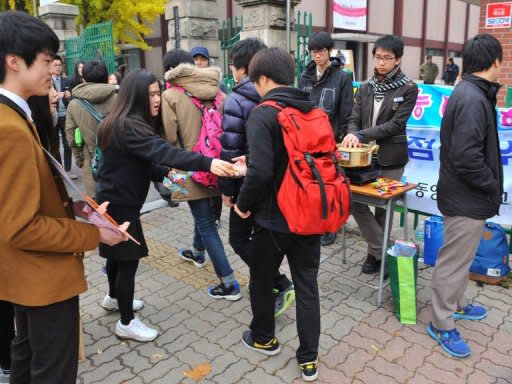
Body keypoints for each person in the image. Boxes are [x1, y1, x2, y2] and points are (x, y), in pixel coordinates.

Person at [0, 11, 126, 383]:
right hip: (42, 279)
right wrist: (94, 234)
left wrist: (73, 208)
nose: (54, 70)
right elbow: (20, 228)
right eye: (45, 61)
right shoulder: (10, 128)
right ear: (13, 61)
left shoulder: (15, 117)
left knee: (26, 361)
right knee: (52, 372)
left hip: (25, 277)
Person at [95, 68, 237, 341]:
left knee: (115, 256)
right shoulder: (130, 126)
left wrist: (166, 176)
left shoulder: (119, 121)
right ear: (135, 95)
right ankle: (126, 321)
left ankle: (114, 298)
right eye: (151, 94)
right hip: (121, 205)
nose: (157, 98)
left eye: (158, 92)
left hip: (112, 200)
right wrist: (208, 163)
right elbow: (166, 152)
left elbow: (139, 162)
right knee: (127, 262)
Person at [234, 47, 322, 382]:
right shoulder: (311, 109)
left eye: (257, 82)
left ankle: (264, 338)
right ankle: (309, 361)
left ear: (266, 79)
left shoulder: (263, 112)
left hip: (273, 218)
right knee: (307, 287)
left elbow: (261, 173)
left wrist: (242, 205)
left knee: (261, 278)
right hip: (310, 215)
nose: (256, 88)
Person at [427, 33, 503, 358]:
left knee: (461, 257)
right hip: (465, 196)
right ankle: (441, 322)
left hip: (465, 195)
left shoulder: (471, 91)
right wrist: (491, 184)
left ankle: (456, 304)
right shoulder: (473, 98)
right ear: (495, 61)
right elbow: (466, 156)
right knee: (453, 260)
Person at [219, 38, 295, 317]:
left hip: (246, 183)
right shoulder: (282, 98)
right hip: (277, 187)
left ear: (242, 69)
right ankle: (274, 282)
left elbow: (230, 147)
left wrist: (227, 189)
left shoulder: (236, 99)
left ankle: (277, 283)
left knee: (239, 239)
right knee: (263, 241)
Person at [161, 50, 241, 300]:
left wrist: (169, 177)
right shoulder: (219, 93)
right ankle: (197, 251)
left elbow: (169, 139)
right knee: (205, 215)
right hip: (219, 165)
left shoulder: (171, 95)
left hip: (187, 167)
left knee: (205, 223)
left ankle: (228, 283)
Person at [341, 35, 418, 275]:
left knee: (384, 208)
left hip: (390, 157)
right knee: (354, 201)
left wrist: (361, 135)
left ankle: (374, 255)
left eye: (387, 58)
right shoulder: (366, 86)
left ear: (398, 60)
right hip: (362, 157)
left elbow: (395, 125)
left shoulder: (408, 88)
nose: (381, 62)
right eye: (378, 57)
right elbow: (353, 117)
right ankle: (381, 252)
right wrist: (353, 134)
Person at [298, 32, 353, 247]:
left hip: (330, 142)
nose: (317, 56)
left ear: (329, 52)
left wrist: (340, 139)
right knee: (310, 183)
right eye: (314, 52)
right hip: (306, 140)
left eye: (321, 51)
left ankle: (331, 226)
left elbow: (346, 111)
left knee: (329, 185)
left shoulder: (342, 77)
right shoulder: (305, 76)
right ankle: (315, 223)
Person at [65, 60, 118, 195]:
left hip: (92, 161)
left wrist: (80, 160)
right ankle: (179, 194)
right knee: (120, 206)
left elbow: (71, 137)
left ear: (84, 79)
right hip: (119, 162)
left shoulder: (74, 105)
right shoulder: (119, 100)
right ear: (107, 78)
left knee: (97, 207)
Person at [51, 54, 77, 179]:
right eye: (55, 65)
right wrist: (59, 94)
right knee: (55, 143)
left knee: (67, 143)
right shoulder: (47, 81)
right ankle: (60, 170)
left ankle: (68, 170)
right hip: (53, 115)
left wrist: (69, 95)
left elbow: (72, 95)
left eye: (59, 65)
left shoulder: (67, 81)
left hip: (65, 114)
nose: (57, 67)